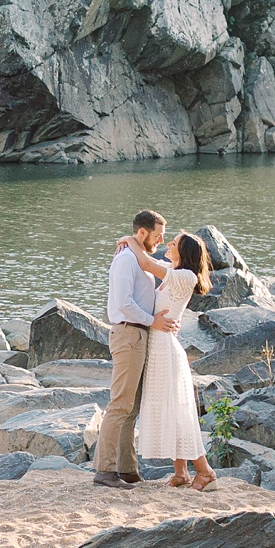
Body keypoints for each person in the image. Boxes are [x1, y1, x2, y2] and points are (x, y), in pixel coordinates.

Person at [121, 230, 219, 491]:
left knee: (177, 413)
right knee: (170, 410)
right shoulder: (172, 271)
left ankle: (205, 472)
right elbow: (150, 264)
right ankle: (181, 473)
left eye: (173, 243)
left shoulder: (185, 276)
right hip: (158, 348)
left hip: (166, 350)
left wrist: (131, 240)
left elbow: (145, 263)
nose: (168, 244)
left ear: (183, 252)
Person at [94, 208, 165, 487]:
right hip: (128, 334)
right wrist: (152, 321)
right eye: (158, 235)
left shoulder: (140, 258)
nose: (161, 241)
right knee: (120, 403)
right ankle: (104, 469)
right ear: (143, 232)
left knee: (132, 407)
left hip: (139, 334)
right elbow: (123, 302)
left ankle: (127, 468)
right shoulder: (126, 260)